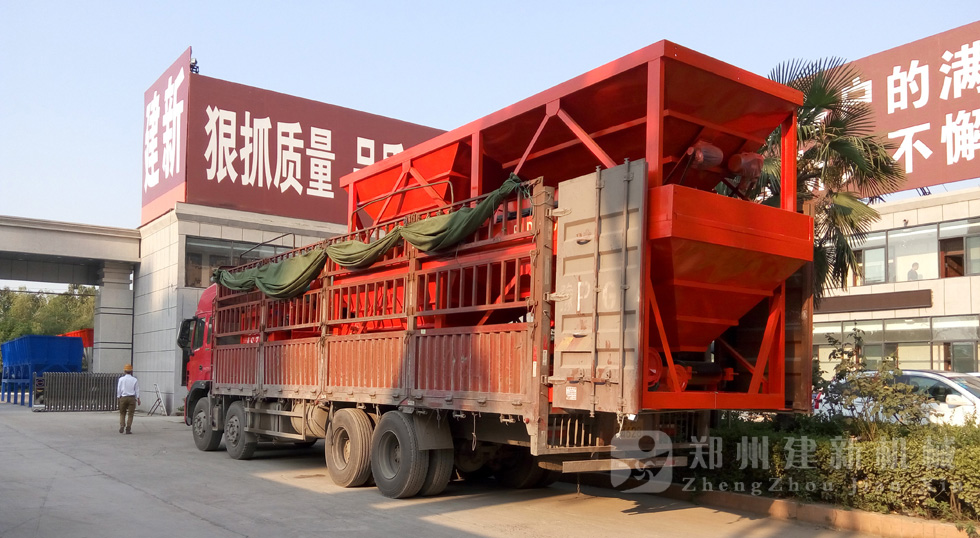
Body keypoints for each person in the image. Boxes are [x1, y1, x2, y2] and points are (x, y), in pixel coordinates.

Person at [117, 364, 140, 434]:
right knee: (130, 414)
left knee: (122, 413)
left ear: (124, 371)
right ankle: (128, 428)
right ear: (131, 371)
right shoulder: (134, 380)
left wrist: (118, 397)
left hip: (123, 397)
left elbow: (119, 389)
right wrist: (138, 398)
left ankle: (122, 425)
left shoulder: (121, 379)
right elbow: (137, 390)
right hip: (132, 398)